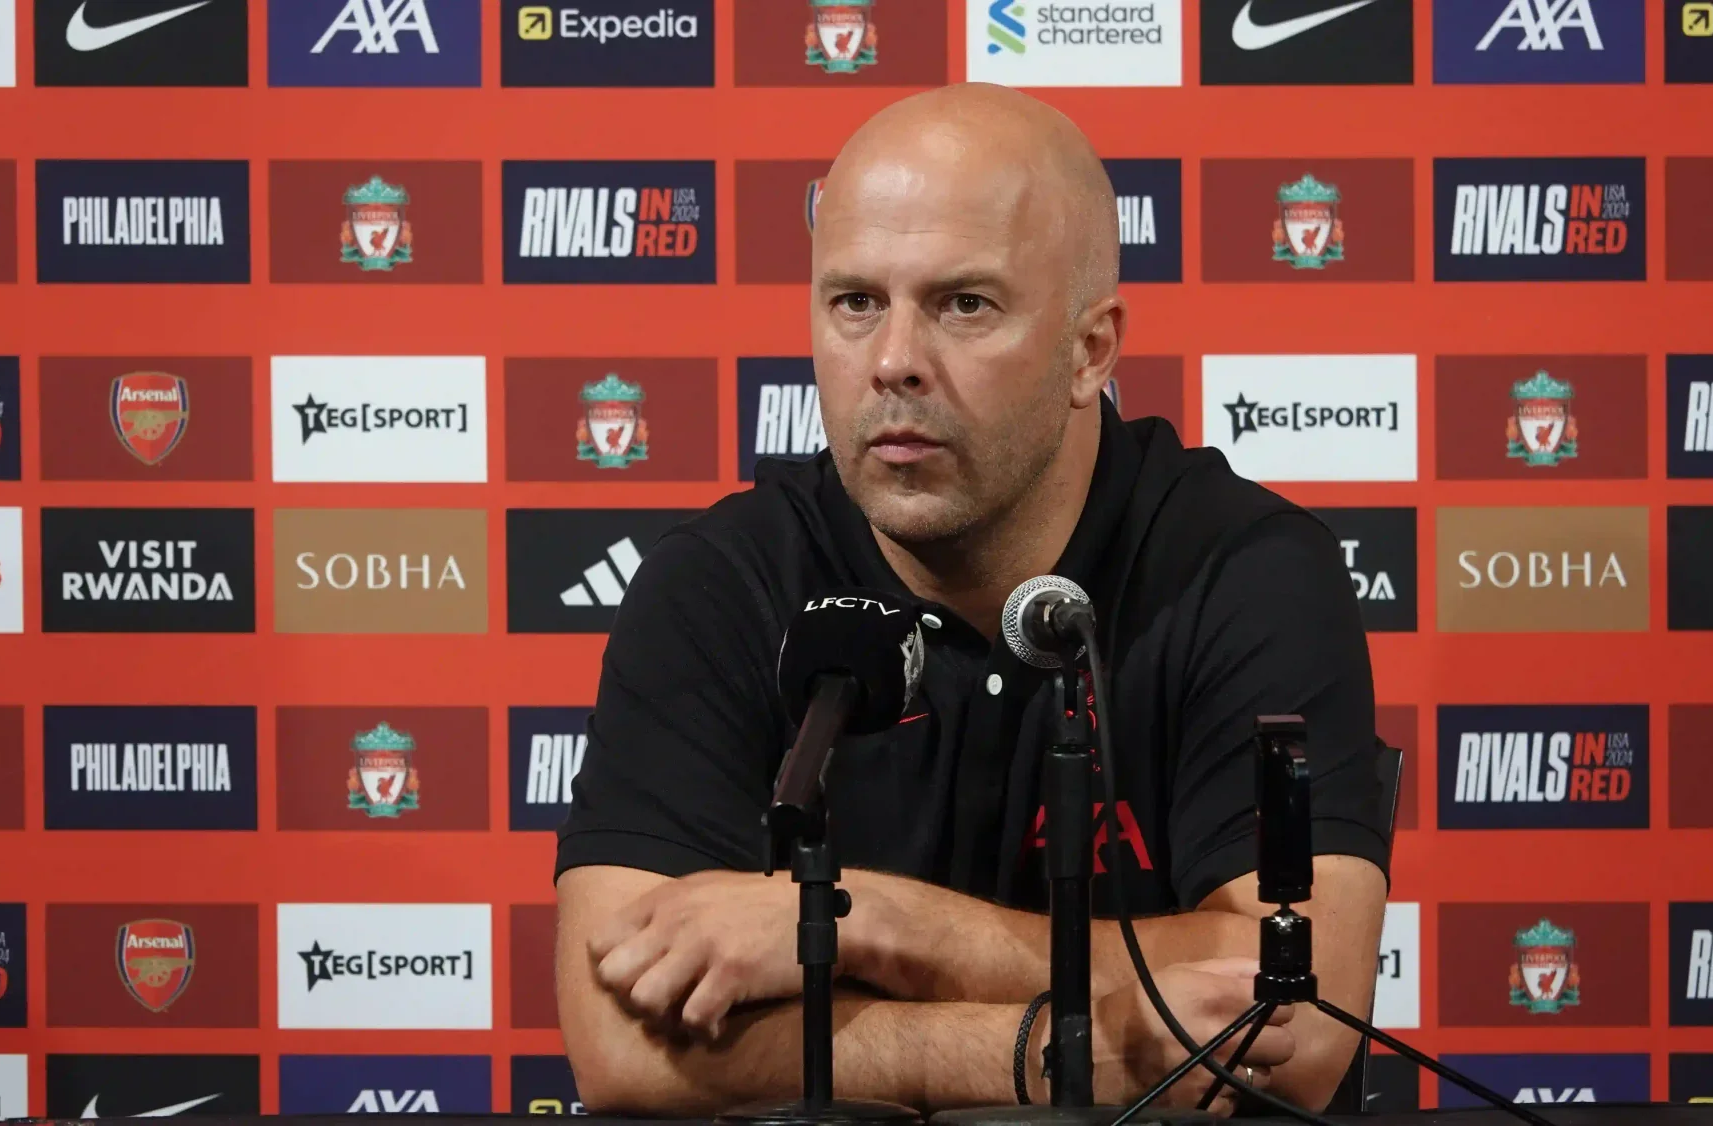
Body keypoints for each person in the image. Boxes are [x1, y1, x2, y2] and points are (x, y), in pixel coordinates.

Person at [552, 83, 1390, 1117]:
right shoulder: (720, 581)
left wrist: (865, 923)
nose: (894, 362)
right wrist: (1051, 1055)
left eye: (963, 305)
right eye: (854, 302)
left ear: (1090, 350)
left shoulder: (1245, 572)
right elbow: (617, 1046)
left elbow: (1293, 1023)